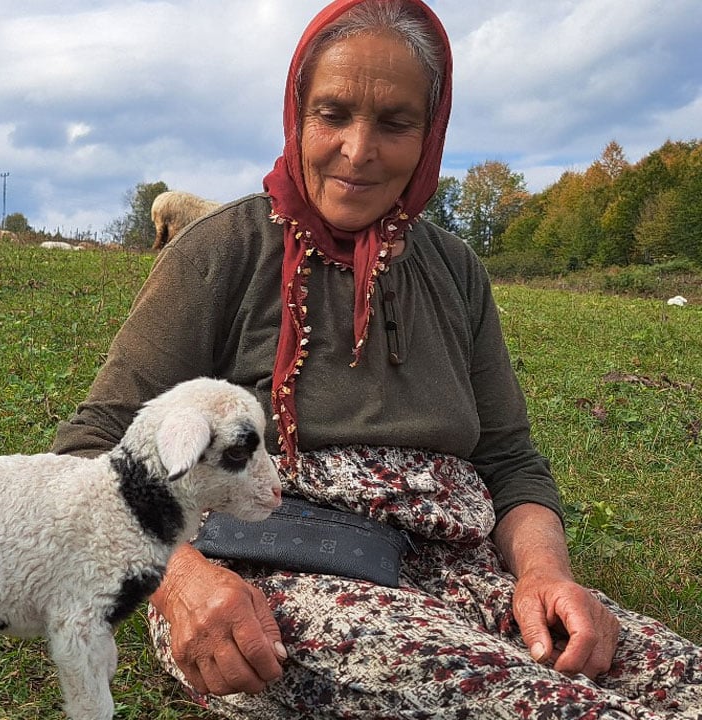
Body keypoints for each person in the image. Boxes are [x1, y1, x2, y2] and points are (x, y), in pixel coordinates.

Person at [50, 0, 702, 717]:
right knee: (548, 707)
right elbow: (86, 451)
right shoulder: (220, 253)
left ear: (430, 135)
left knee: (678, 678)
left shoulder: (454, 269)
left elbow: (511, 461)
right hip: (272, 574)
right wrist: (180, 581)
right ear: (297, 114)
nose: (358, 151)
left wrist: (545, 575)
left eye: (394, 123)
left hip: (458, 565)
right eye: (332, 114)